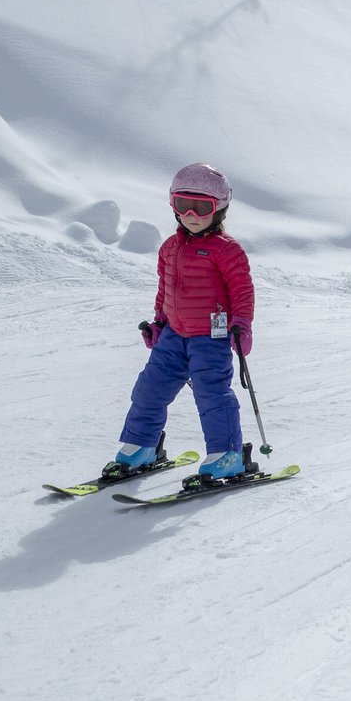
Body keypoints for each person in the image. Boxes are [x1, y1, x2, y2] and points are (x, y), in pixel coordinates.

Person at [104, 163, 256, 489]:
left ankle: (228, 455)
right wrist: (159, 323)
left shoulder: (227, 250)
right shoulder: (169, 248)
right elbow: (165, 289)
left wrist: (242, 325)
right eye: (183, 204)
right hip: (174, 335)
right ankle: (142, 447)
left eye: (202, 207)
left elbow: (242, 291)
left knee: (211, 394)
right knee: (148, 389)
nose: (191, 214)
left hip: (211, 336)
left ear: (219, 209)